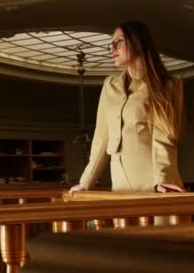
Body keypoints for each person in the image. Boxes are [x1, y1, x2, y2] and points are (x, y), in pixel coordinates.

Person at [69, 21, 185, 194]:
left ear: (138, 42)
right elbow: (101, 138)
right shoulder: (110, 85)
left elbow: (164, 136)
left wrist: (164, 178)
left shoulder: (167, 84)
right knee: (124, 221)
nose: (113, 48)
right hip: (120, 181)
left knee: (161, 221)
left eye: (120, 41)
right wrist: (86, 181)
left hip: (154, 179)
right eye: (112, 44)